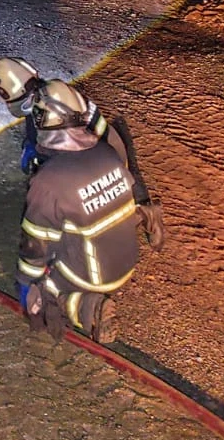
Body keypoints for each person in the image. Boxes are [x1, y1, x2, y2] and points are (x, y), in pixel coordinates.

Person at [0, 56, 164, 250]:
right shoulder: (53, 94)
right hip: (106, 149)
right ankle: (141, 210)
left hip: (102, 157)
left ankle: (142, 213)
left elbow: (63, 159)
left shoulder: (47, 109)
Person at [16, 79, 141, 343]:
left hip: (95, 277)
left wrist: (28, 285)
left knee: (42, 288)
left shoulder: (50, 180)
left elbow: (35, 246)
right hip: (128, 260)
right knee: (76, 224)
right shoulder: (106, 152)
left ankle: (85, 307)